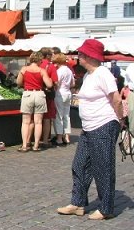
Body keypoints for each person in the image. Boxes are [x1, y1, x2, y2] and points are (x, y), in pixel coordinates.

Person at [57, 39, 123, 220]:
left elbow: (116, 99)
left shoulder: (103, 74)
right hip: (88, 127)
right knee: (79, 165)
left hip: (103, 125)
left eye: (81, 54)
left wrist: (120, 120)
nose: (79, 57)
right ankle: (77, 203)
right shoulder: (88, 75)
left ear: (89, 56)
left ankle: (106, 208)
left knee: (103, 167)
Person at [16, 52, 53, 152]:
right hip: (39, 94)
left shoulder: (24, 69)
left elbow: (18, 82)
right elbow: (49, 85)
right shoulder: (42, 70)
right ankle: (36, 145)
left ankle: (24, 145)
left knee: (25, 122)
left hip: (28, 94)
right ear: (39, 60)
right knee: (38, 122)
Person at [52, 53, 75, 146]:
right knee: (66, 115)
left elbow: (57, 82)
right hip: (68, 93)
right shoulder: (69, 70)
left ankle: (59, 138)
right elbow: (73, 83)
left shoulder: (59, 71)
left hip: (60, 93)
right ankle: (67, 136)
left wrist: (54, 86)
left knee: (59, 116)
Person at [40, 47, 58, 147]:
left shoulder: (36, 65)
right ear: (47, 55)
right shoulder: (50, 66)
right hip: (47, 94)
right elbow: (55, 81)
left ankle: (33, 140)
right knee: (47, 118)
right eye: (51, 54)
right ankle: (46, 140)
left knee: (35, 119)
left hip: (36, 93)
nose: (53, 56)